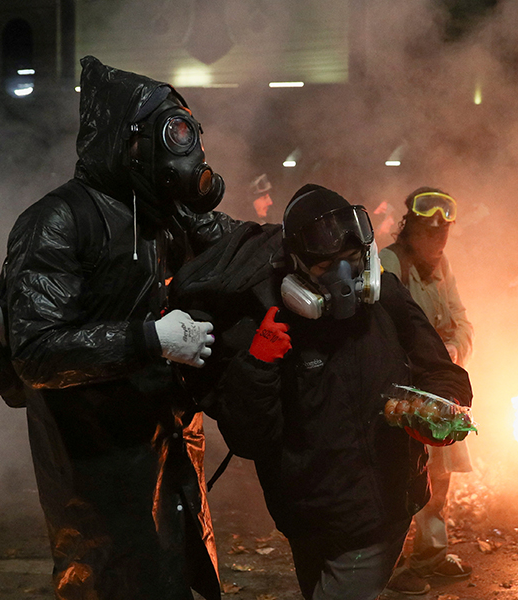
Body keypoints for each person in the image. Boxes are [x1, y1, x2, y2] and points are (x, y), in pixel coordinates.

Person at [4, 55, 235, 600]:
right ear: (129, 141)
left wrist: (315, 246)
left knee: (174, 574)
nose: (181, 149)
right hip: (95, 462)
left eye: (187, 132)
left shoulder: (165, 213)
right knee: (111, 581)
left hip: (170, 445)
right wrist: (149, 339)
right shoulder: (58, 220)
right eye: (169, 133)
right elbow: (35, 351)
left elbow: (240, 253)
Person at [175, 184, 473, 600]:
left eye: (351, 262)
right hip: (307, 521)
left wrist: (438, 409)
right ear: (295, 267)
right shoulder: (268, 322)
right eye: (324, 267)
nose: (344, 281)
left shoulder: (386, 299)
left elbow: (442, 370)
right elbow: (250, 438)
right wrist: (259, 363)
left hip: (379, 514)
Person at [379, 187, 475, 594]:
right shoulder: (389, 264)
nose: (438, 243)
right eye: (430, 235)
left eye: (444, 236)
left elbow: (462, 321)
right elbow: (383, 333)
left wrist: (454, 349)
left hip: (437, 392)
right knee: (401, 477)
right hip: (402, 394)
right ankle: (392, 565)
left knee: (438, 477)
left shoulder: (442, 266)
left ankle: (431, 554)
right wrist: (435, 353)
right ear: (411, 229)